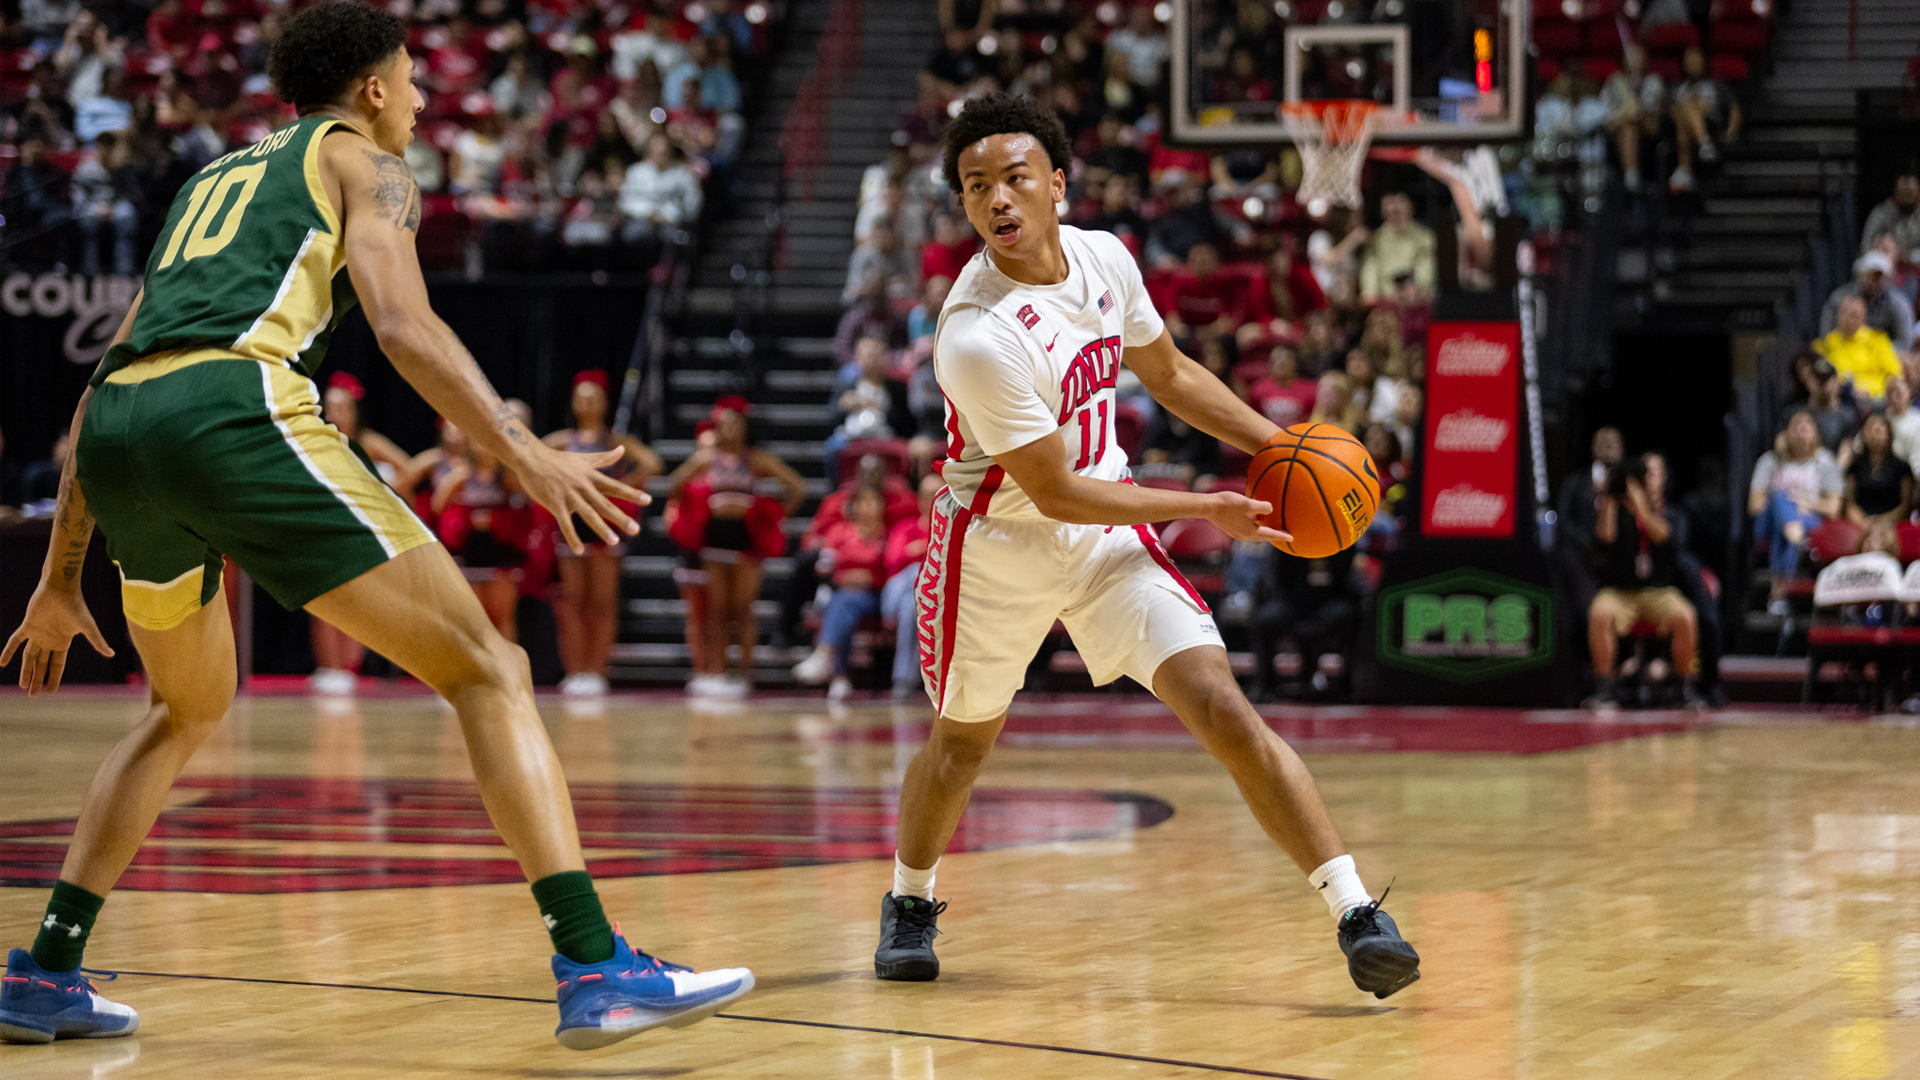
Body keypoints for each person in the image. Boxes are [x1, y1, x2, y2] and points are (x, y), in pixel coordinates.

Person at [0, 3, 752, 1051]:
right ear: (372, 89)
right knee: (491, 668)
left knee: (183, 708)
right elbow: (402, 323)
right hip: (236, 410)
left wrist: (56, 576)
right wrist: (516, 445)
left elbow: (103, 383)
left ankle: (42, 973)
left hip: (122, 434)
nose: (422, 99)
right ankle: (596, 965)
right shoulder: (366, 163)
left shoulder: (209, 181)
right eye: (412, 81)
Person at [872, 94, 1418, 998]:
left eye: (1013, 178)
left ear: (1056, 180)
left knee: (1221, 704)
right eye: (975, 189)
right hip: (1001, 544)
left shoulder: (1104, 259)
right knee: (961, 748)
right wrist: (1206, 506)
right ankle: (910, 897)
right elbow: (1054, 490)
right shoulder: (977, 334)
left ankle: (1358, 912)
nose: (997, 200)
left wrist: (1275, 448)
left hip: (1106, 542)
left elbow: (1166, 373)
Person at [666, 397, 806, 696]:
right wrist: (695, 464)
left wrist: (775, 515)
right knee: (716, 610)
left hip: (745, 538)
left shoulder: (756, 460)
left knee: (742, 610)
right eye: (723, 424)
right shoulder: (707, 459)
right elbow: (674, 486)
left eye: (735, 423)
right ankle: (716, 674)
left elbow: (796, 487)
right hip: (715, 536)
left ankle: (743, 675)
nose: (728, 428)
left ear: (744, 427)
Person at [542, 369, 662, 698]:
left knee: (602, 603)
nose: (587, 402)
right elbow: (531, 464)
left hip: (606, 526)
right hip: (573, 524)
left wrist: (622, 489)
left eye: (593, 396)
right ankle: (575, 671)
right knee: (573, 603)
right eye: (582, 397)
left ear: (604, 402)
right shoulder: (562, 441)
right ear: (574, 403)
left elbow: (652, 463)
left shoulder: (615, 441)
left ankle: (597, 672)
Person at [307, 372, 412, 695]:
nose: (334, 414)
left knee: (357, 601)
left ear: (355, 412)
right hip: (324, 530)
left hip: (360, 534)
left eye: (342, 408)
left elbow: (409, 469)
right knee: (322, 600)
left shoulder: (368, 443)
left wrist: (380, 491)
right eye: (330, 408)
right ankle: (329, 667)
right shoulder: (315, 439)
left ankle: (349, 669)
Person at [1585, 453, 1704, 709]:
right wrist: (1611, 498)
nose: (1645, 481)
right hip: (1620, 592)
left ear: (1663, 480)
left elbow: (1664, 538)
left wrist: (1642, 509)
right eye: (1642, 475)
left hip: (1659, 592)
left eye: (1651, 474)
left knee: (1685, 616)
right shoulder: (1616, 508)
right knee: (1599, 612)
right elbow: (1603, 541)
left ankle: (1685, 689)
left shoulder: (1674, 513)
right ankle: (1604, 689)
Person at [792, 486, 890, 700]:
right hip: (842, 592)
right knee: (842, 605)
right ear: (853, 507)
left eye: (873, 502)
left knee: (842, 603)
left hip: (875, 596)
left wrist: (865, 577)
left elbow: (890, 570)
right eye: (863, 502)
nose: (868, 507)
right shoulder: (839, 531)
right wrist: (844, 574)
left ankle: (832, 667)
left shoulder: (887, 534)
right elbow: (824, 567)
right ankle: (837, 676)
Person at [1750, 410, 1844, 606]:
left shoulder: (1826, 463)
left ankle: (1778, 596)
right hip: (1769, 522)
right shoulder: (1770, 461)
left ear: (1815, 433)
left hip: (1807, 521)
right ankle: (1791, 528)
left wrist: (1805, 504)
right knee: (1779, 497)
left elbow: (1833, 508)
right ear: (1786, 433)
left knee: (1784, 531)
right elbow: (1755, 506)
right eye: (1796, 424)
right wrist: (1786, 504)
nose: (1801, 427)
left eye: (1807, 424)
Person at [1668, 46, 1741, 194]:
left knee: (1690, 106)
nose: (1694, 64)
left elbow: (1734, 109)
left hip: (1711, 124)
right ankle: (1704, 145)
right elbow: (1670, 112)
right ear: (1684, 65)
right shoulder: (1677, 88)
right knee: (1683, 108)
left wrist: (1732, 130)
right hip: (1680, 128)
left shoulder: (1716, 85)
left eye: (1697, 60)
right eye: (1690, 61)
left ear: (1703, 62)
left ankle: (1685, 168)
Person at [1820, 250, 1916, 351]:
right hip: (1844, 355)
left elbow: (1905, 342)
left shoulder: (1897, 303)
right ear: (1861, 274)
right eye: (1872, 275)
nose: (1876, 280)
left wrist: (1874, 352)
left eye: (1879, 275)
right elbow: (1826, 334)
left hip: (1883, 359)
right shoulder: (1839, 298)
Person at [1816, 295, 1904, 404]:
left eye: (1855, 316)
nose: (1850, 320)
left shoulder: (1878, 341)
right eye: (1845, 314)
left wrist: (1870, 390)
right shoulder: (1828, 343)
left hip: (1872, 399)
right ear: (1839, 315)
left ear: (1863, 319)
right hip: (1838, 399)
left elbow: (1894, 376)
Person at [1358, 192, 1434, 303]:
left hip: (1416, 297)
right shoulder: (1377, 238)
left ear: (1410, 207)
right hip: (1385, 299)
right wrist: (1369, 291)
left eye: (1399, 202)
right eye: (1390, 204)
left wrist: (1419, 288)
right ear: (1383, 212)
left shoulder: (1424, 237)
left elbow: (1426, 265)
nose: (1395, 208)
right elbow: (1370, 265)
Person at [1845, 413, 1913, 529]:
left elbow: (1905, 505)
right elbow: (1850, 503)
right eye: (1870, 430)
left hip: (1893, 524)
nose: (1874, 435)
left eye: (1879, 431)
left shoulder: (1902, 467)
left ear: (1889, 434)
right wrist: (1863, 523)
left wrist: (1884, 522)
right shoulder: (1855, 466)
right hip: (1861, 524)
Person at [1861, 169, 1920, 260]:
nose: (1907, 197)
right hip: (1887, 266)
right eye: (1903, 192)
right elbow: (1866, 248)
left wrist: (1909, 255)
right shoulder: (1881, 214)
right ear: (1894, 193)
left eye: (1911, 192)